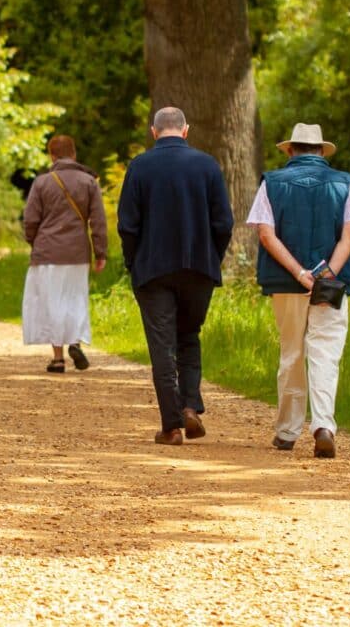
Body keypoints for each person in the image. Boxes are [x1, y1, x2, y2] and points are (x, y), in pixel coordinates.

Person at [117, 107, 235, 445]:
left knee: (161, 345)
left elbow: (128, 225)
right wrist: (213, 257)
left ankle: (170, 426)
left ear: (154, 132)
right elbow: (223, 224)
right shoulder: (208, 165)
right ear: (186, 130)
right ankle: (190, 406)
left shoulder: (139, 167)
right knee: (189, 336)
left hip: (153, 269)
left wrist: (132, 263)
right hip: (198, 268)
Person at [247, 123, 350, 458]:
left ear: (290, 150)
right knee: (326, 352)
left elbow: (267, 235)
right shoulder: (344, 183)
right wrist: (328, 271)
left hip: (287, 283)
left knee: (292, 353)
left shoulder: (271, 183)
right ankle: (324, 425)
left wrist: (300, 274)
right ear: (321, 152)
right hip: (332, 283)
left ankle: (286, 432)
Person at [21, 135, 108, 372]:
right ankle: (75, 342)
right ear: (74, 154)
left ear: (52, 155)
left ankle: (58, 358)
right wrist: (100, 252)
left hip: (47, 251)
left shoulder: (42, 183)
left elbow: (30, 220)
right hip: (77, 253)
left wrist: (34, 242)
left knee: (52, 302)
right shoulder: (89, 182)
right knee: (74, 298)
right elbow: (98, 221)